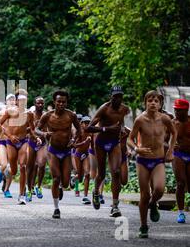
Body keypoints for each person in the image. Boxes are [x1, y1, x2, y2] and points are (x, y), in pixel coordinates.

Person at [128, 90, 177, 238]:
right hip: (143, 161)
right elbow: (129, 139)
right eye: (150, 100)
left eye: (156, 101)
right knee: (144, 195)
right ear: (145, 103)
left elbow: (174, 133)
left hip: (158, 160)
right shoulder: (140, 120)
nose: (153, 103)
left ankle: (153, 204)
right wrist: (137, 149)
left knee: (160, 189)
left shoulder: (165, 119)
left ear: (160, 104)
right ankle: (143, 226)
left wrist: (170, 151)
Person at [86, 86, 130, 217]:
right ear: (110, 96)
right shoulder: (104, 109)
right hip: (100, 143)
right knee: (102, 174)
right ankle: (95, 191)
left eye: (120, 96)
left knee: (116, 173)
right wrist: (106, 129)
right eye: (115, 96)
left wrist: (122, 128)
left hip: (114, 143)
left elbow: (120, 122)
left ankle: (115, 206)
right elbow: (89, 128)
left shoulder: (124, 109)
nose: (117, 99)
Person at [36, 90, 81, 218]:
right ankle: (56, 208)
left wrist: (73, 140)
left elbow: (79, 129)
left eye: (64, 102)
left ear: (67, 102)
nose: (61, 104)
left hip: (66, 151)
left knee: (66, 183)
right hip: (53, 151)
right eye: (59, 101)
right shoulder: (48, 116)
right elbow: (36, 129)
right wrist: (44, 134)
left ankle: (62, 185)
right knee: (56, 178)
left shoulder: (71, 115)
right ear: (54, 102)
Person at [0, 89, 41, 205]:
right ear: (16, 102)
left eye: (24, 101)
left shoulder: (29, 114)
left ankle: (22, 194)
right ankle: (6, 169)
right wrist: (10, 135)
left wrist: (36, 138)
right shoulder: (9, 111)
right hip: (11, 142)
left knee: (23, 166)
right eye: (20, 101)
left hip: (23, 141)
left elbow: (31, 130)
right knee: (13, 171)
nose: (22, 103)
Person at [172, 98, 190, 224]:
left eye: (179, 110)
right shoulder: (172, 123)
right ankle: (181, 212)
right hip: (178, 155)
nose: (176, 112)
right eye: (175, 110)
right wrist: (170, 146)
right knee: (181, 183)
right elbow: (162, 139)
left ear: (186, 110)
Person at [26, 97, 48, 201]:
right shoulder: (30, 114)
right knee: (30, 167)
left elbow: (49, 128)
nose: (40, 105)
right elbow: (28, 128)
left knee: (42, 164)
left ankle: (39, 186)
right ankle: (29, 190)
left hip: (42, 143)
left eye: (42, 103)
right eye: (38, 103)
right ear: (34, 103)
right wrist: (34, 136)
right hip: (32, 142)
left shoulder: (46, 114)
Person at [0, 94, 16, 198]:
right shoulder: (0, 113)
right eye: (10, 100)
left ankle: (7, 190)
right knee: (4, 165)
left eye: (13, 100)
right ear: (6, 102)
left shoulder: (18, 113)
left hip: (14, 143)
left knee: (11, 168)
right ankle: (0, 169)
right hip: (3, 141)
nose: (12, 101)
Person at [74, 116, 93, 204]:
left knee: (87, 174)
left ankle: (85, 196)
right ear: (81, 124)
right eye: (85, 123)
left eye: (88, 122)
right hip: (77, 155)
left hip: (86, 154)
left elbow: (93, 145)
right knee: (80, 177)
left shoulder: (91, 132)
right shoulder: (79, 132)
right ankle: (73, 179)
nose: (87, 124)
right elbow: (74, 145)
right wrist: (84, 142)